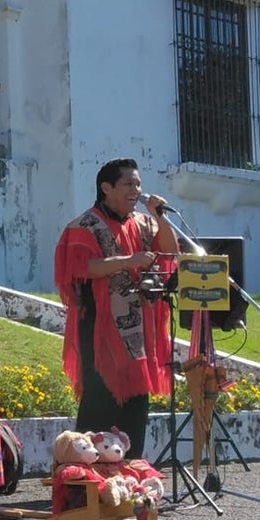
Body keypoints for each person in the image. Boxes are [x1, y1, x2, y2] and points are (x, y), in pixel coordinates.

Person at [53, 158, 179, 459]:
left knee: (137, 403)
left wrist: (159, 217)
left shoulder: (144, 222)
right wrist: (128, 261)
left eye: (138, 183)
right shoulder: (84, 225)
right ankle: (84, 476)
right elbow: (83, 267)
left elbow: (171, 252)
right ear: (106, 188)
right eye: (128, 184)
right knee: (101, 400)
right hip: (100, 328)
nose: (136, 189)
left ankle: (129, 471)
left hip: (139, 332)